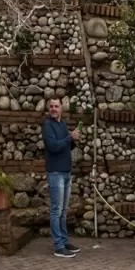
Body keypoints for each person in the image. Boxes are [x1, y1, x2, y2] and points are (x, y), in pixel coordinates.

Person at [42, 97, 81, 257]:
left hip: (66, 172)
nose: (53, 109)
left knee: (64, 210)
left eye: (56, 106)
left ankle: (64, 241)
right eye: (51, 106)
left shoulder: (62, 124)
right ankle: (58, 246)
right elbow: (53, 146)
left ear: (61, 109)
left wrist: (74, 139)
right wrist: (69, 138)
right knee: (56, 209)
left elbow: (67, 146)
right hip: (55, 172)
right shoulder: (47, 125)